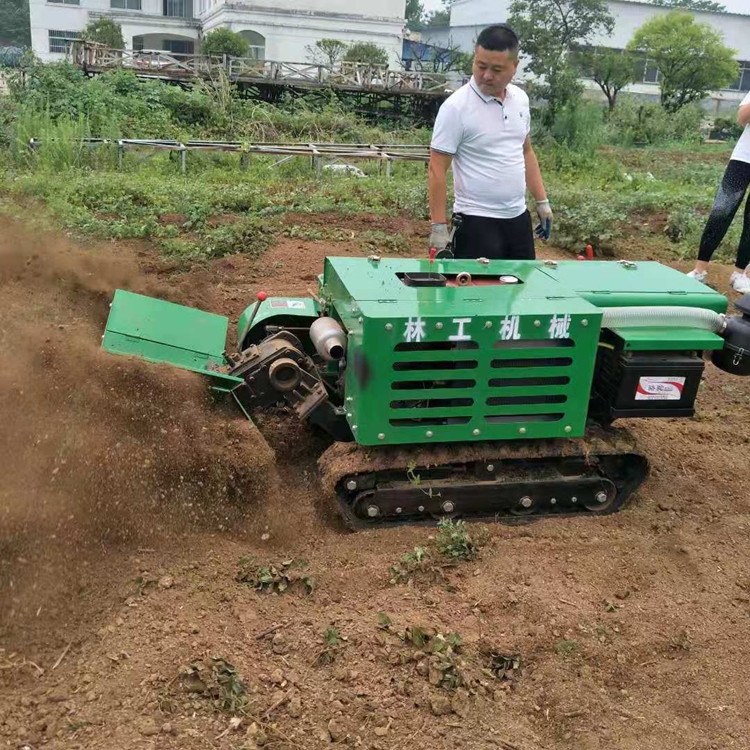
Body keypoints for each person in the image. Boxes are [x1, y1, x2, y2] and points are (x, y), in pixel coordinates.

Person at [427, 24, 552, 260]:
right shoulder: (456, 108)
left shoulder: (520, 100)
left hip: (517, 220)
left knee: (518, 291)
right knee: (475, 295)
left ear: (514, 67)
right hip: (476, 223)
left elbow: (525, 151)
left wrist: (542, 201)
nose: (486, 75)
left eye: (496, 69)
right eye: (481, 66)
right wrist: (438, 226)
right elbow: (436, 169)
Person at [687, 91, 750, 293]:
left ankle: (740, 274)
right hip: (743, 159)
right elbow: (742, 118)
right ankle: (699, 271)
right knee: (721, 210)